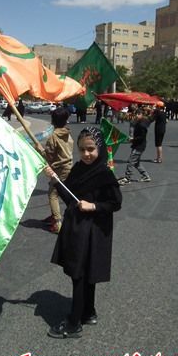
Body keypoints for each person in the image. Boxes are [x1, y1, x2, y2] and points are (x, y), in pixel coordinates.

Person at [43, 127, 122, 338]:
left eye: (91, 149)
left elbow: (115, 203)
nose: (86, 154)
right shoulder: (78, 168)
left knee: (80, 275)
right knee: (83, 274)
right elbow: (70, 198)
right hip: (77, 230)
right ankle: (88, 312)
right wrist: (55, 180)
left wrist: (93, 206)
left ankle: (73, 323)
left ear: (99, 148)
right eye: (82, 150)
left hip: (94, 232)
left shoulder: (104, 173)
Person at [43, 107, 74, 234]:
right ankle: (54, 216)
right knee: (62, 191)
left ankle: (57, 222)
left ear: (52, 121)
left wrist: (40, 150)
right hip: (68, 167)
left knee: (53, 194)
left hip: (59, 169)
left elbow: (49, 156)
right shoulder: (67, 134)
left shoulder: (53, 137)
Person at [118, 107, 152, 185]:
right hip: (138, 145)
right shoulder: (139, 122)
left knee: (131, 161)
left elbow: (141, 137)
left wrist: (133, 139)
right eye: (136, 114)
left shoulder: (142, 124)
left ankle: (127, 178)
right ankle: (146, 176)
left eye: (138, 114)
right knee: (136, 163)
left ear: (141, 114)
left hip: (139, 146)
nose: (136, 115)